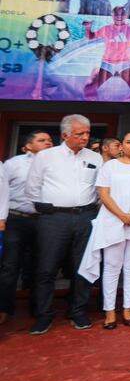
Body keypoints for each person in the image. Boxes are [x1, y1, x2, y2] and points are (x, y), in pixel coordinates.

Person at [26, 114, 102, 334]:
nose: (85, 137)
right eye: (80, 134)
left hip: (86, 216)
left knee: (83, 267)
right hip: (53, 218)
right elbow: (33, 188)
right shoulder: (46, 157)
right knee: (46, 268)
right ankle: (43, 315)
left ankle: (78, 311)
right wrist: (48, 209)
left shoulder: (95, 158)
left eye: (87, 133)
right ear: (65, 135)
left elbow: (99, 190)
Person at [78, 132, 130, 330]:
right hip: (113, 219)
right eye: (129, 142)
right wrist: (122, 215)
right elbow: (104, 194)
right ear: (122, 146)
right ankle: (109, 311)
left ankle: (127, 309)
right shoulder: (109, 166)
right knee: (111, 265)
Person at [0, 131, 52, 325]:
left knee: (41, 266)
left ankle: (37, 308)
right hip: (16, 219)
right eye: (41, 140)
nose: (47, 142)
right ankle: (4, 308)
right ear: (28, 146)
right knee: (10, 266)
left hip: (44, 220)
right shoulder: (13, 164)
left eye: (49, 140)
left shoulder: (54, 164)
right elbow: (2, 190)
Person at [82, 6, 130, 101]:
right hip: (107, 63)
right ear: (112, 15)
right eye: (116, 14)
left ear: (126, 15)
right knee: (89, 89)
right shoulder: (106, 28)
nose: (119, 16)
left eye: (122, 14)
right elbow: (91, 37)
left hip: (125, 63)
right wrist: (88, 28)